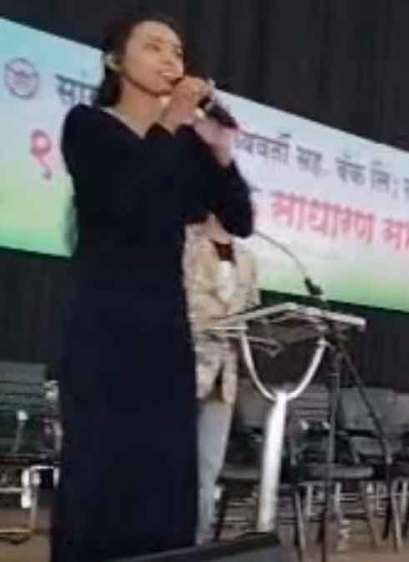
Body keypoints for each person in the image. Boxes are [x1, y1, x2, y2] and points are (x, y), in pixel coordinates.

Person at [54, 12, 253, 561]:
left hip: (164, 329)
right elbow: (124, 202)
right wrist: (175, 120)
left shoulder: (182, 147)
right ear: (116, 61)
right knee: (101, 470)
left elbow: (237, 219)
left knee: (165, 475)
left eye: (177, 51)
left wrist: (219, 153)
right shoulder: (88, 126)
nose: (171, 60)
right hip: (103, 325)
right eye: (154, 48)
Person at [184, 213, 259, 543]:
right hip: (179, 367)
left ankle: (195, 543)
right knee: (167, 463)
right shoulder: (185, 241)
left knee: (207, 470)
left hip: (222, 379)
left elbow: (252, 307)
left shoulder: (248, 258)